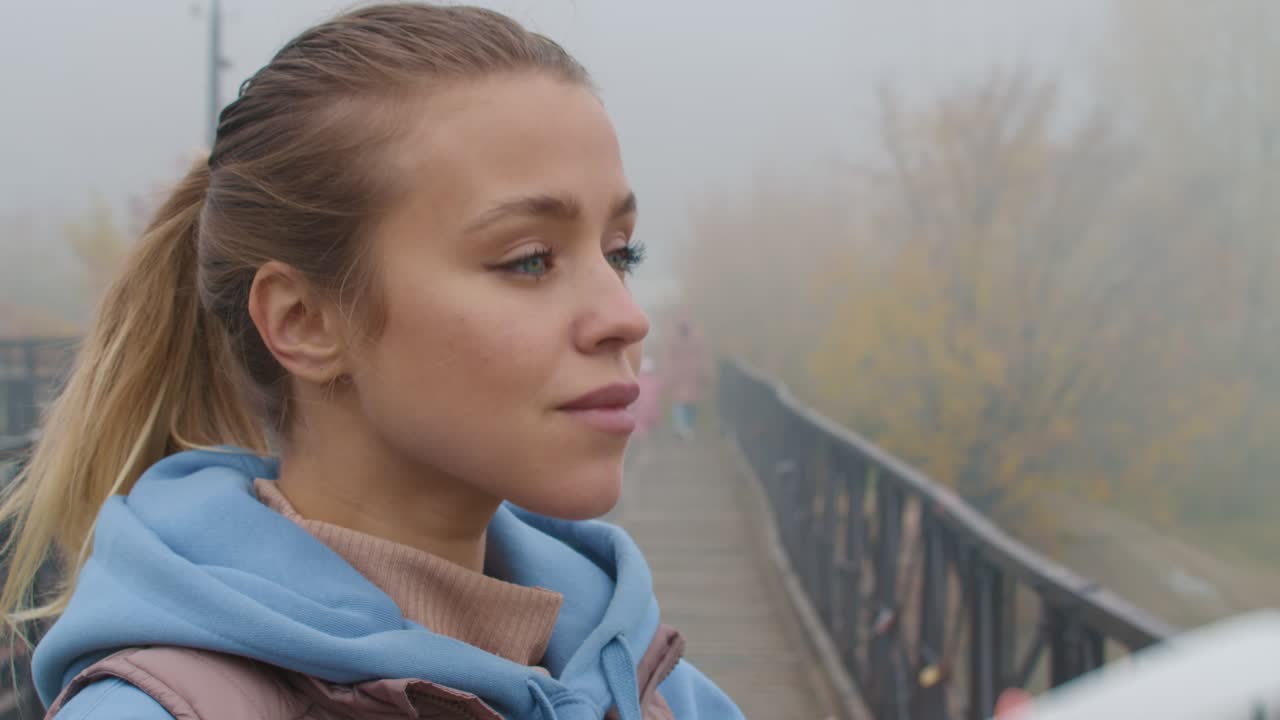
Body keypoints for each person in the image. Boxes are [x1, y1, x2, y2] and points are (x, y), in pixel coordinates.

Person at [0, 5, 744, 719]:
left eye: (622, 254)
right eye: (529, 261)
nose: (625, 315)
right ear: (304, 323)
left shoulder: (652, 687)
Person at [662, 316, 709, 443]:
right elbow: (669, 360)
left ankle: (686, 428)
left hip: (690, 377)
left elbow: (702, 357)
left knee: (688, 405)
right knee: (680, 404)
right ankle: (682, 428)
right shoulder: (674, 341)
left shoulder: (696, 340)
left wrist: (703, 374)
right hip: (682, 378)